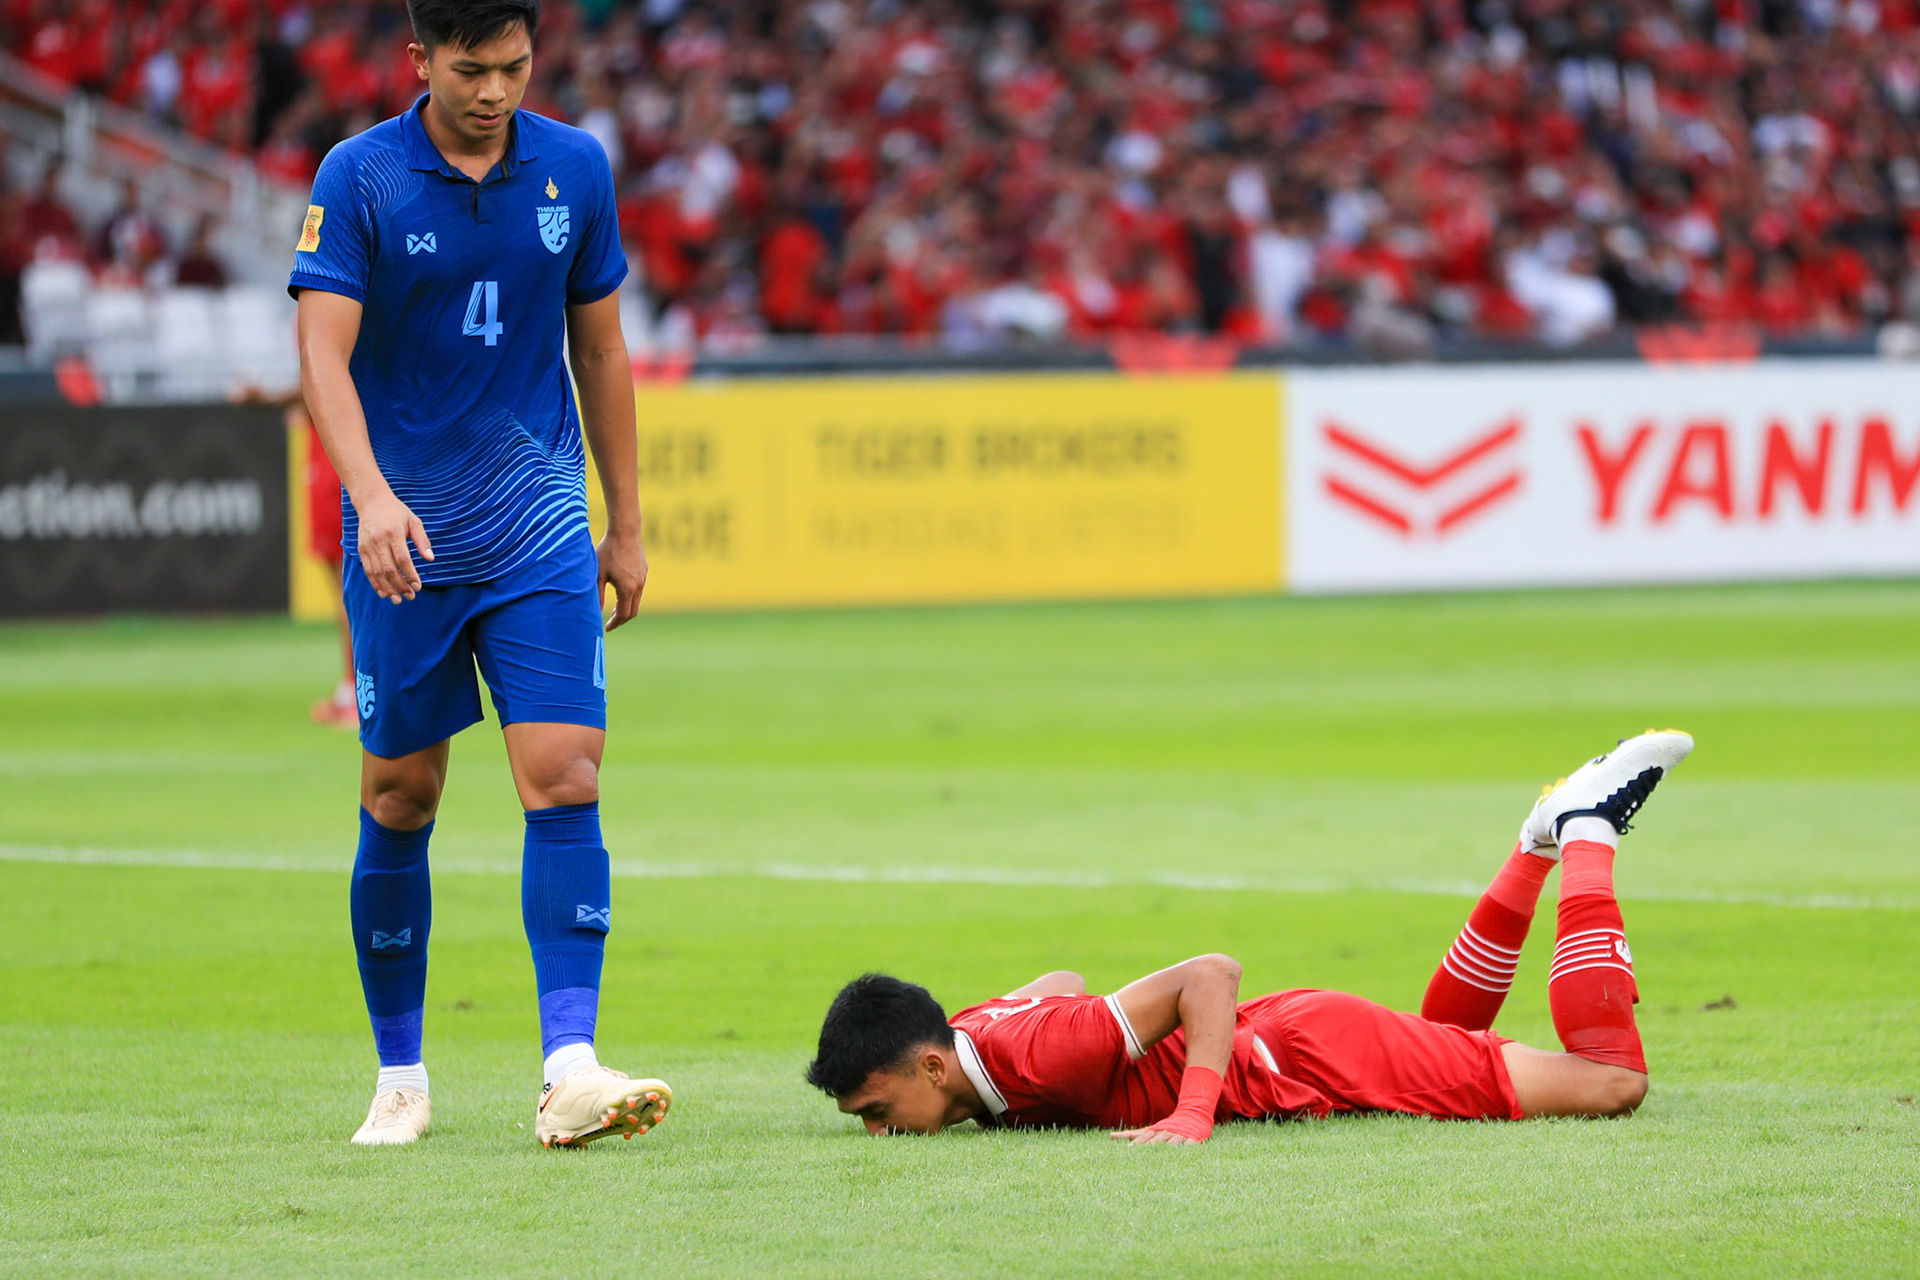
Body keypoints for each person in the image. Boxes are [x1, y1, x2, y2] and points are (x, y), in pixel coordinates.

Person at [289, 0, 668, 1149]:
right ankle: (401, 1074)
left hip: (538, 524)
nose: (495, 90)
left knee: (567, 775)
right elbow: (321, 354)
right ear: (419, 60)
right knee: (400, 796)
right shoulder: (360, 177)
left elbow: (600, 345)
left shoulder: (574, 167)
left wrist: (626, 522)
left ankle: (570, 1066)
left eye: (514, 66)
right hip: (405, 537)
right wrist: (371, 497)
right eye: (470, 70)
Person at [807, 731, 1694, 1143]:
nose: (882, 1135)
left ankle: (1585, 829)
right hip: (1301, 1037)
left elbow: (1209, 973)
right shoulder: (974, 1036)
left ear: (932, 1068)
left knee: (1611, 1083)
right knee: (1450, 1042)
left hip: (1315, 1057)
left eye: (878, 1113)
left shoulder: (1034, 1054)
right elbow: (1062, 981)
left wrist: (1191, 1112)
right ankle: (1535, 844)